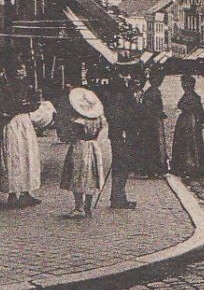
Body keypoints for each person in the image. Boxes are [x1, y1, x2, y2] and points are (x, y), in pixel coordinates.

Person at [60, 86, 111, 216]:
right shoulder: (99, 119)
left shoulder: (78, 121)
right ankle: (88, 205)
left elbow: (69, 136)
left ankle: (79, 206)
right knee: (91, 176)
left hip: (80, 147)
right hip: (94, 146)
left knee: (77, 175)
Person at [0, 64, 43, 208]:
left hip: (24, 122)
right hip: (13, 122)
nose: (21, 73)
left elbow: (35, 104)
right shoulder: (5, 88)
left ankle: (26, 192)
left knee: (27, 155)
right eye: (18, 71)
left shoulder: (29, 88)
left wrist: (26, 105)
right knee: (13, 156)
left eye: (23, 70)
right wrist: (15, 108)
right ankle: (12, 193)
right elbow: (2, 105)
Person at [100, 70, 139, 209]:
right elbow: (126, 115)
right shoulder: (121, 94)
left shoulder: (110, 93)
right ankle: (118, 198)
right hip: (122, 134)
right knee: (122, 165)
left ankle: (117, 196)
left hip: (117, 133)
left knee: (120, 165)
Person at [170, 74, 204, 179]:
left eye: (185, 83)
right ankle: (186, 167)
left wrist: (200, 118)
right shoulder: (189, 95)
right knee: (186, 144)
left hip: (190, 122)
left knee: (190, 145)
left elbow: (198, 110)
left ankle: (190, 167)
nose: (183, 85)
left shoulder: (192, 96)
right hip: (186, 122)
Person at [138, 69, 168, 176]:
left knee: (152, 145)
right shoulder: (152, 92)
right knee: (153, 145)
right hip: (151, 122)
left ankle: (152, 168)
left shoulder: (152, 91)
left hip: (153, 121)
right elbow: (149, 108)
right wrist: (159, 113)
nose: (159, 82)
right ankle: (153, 168)